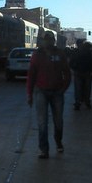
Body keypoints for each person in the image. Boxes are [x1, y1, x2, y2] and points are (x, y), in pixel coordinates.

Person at [27, 30, 71, 158]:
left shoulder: (60, 54)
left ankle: (58, 141)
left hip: (57, 92)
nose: (48, 41)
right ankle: (43, 149)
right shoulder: (37, 55)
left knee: (58, 121)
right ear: (42, 41)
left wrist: (63, 88)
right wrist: (29, 94)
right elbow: (31, 76)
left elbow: (67, 73)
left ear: (54, 41)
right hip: (41, 92)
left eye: (50, 39)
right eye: (45, 39)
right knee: (42, 122)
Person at [69, 40, 92, 110]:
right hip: (83, 72)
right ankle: (84, 102)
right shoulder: (87, 52)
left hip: (83, 72)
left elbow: (71, 62)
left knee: (79, 89)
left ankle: (80, 102)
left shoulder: (76, 52)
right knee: (85, 88)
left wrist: (74, 68)